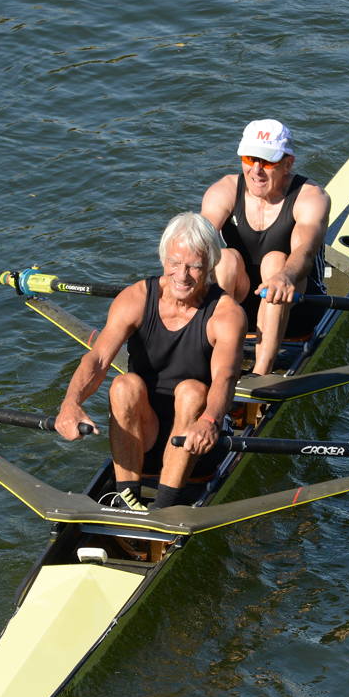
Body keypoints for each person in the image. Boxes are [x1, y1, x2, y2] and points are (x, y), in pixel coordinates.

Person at [53, 213, 246, 511]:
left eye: (194, 266)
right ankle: (128, 497)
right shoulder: (135, 298)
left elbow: (225, 379)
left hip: (196, 439)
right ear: (163, 259)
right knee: (123, 384)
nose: (182, 276)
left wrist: (209, 421)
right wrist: (70, 403)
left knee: (192, 391)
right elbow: (99, 358)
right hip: (144, 432)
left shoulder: (226, 314)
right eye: (175, 263)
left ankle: (164, 508)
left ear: (209, 264)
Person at [201, 119, 330, 376]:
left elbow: (304, 250)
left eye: (267, 161)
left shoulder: (311, 197)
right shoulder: (223, 190)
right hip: (241, 304)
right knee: (225, 259)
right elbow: (199, 241)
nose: (256, 170)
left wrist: (285, 276)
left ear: (288, 163)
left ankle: (260, 376)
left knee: (275, 262)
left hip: (297, 305)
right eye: (250, 159)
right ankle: (209, 360)